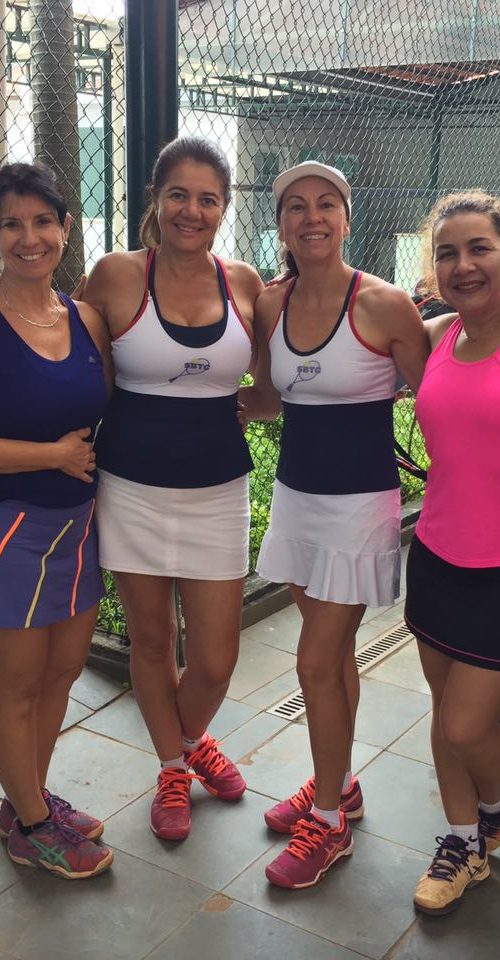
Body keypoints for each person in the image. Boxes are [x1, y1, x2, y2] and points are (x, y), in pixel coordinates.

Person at [242, 160, 428, 889]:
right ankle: (340, 784)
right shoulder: (270, 303)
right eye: (295, 206)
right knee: (335, 655)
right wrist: (193, 409)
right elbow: (268, 399)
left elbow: (436, 398)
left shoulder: (383, 305)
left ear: (347, 219)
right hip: (296, 500)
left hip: (360, 508)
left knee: (316, 663)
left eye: (326, 204)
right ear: (281, 223)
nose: (311, 217)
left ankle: (328, 822)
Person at [83, 136, 263, 842]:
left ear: (224, 208)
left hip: (218, 489)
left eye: (208, 198)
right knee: (154, 642)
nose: (193, 210)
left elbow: (273, 384)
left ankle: (188, 743)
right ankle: (172, 768)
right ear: (155, 199)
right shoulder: (115, 275)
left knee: (215, 658)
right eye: (179, 194)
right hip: (131, 486)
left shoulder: (245, 283)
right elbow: (78, 372)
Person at [0, 162, 114, 879]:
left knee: (63, 671)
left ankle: (25, 799)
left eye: (43, 221)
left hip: (80, 523)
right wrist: (50, 455)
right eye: (10, 223)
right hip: (13, 528)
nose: (29, 237)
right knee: (16, 685)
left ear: (66, 228)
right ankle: (34, 828)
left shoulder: (85, 318)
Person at [405, 190, 500, 915]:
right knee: (446, 715)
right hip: (436, 555)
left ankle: (493, 811)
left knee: (467, 726)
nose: (462, 265)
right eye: (447, 253)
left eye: (479, 249)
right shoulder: (437, 335)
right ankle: (465, 841)